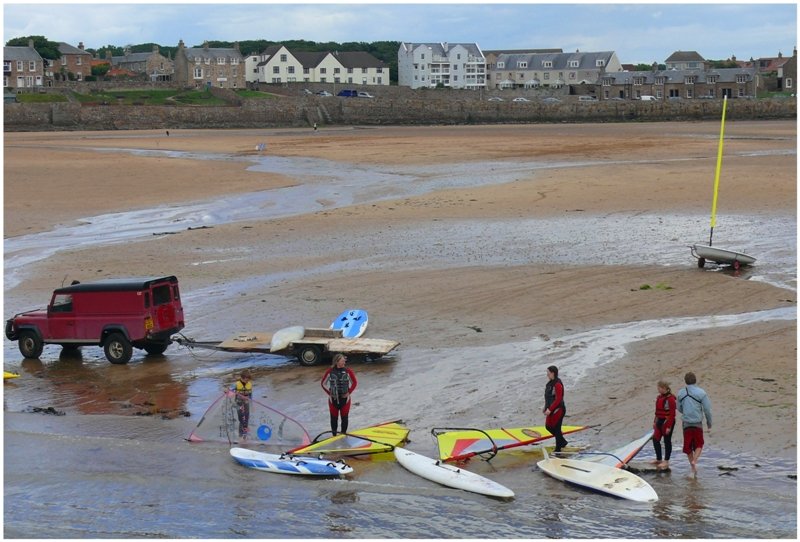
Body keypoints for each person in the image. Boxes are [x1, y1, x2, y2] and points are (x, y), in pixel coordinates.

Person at [677, 372, 713, 475]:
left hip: (686, 423)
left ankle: (692, 466)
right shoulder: (701, 393)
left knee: (688, 446)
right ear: (695, 380)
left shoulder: (681, 393)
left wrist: (686, 411)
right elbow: (707, 409)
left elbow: (679, 407)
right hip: (697, 423)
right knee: (699, 444)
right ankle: (695, 460)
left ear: (685, 381)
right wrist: (709, 423)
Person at [321, 353, 358, 436]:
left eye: (344, 360)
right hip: (333, 400)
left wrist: (349, 392)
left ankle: (343, 435)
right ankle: (334, 436)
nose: (344, 362)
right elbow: (323, 384)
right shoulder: (330, 371)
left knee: (344, 418)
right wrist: (330, 393)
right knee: (333, 419)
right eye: (342, 360)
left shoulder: (348, 371)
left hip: (345, 400)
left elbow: (354, 383)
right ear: (337, 361)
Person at [651, 380, 676, 470]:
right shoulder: (659, 397)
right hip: (659, 420)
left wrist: (669, 427)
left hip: (667, 421)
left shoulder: (671, 399)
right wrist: (655, 422)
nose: (658, 389)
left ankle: (666, 461)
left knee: (667, 441)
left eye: (659, 388)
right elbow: (657, 412)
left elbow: (672, 414)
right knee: (655, 439)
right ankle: (659, 459)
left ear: (664, 388)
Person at [543, 365, 568, 453]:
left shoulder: (557, 384)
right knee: (548, 426)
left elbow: (558, 399)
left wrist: (550, 409)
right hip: (551, 410)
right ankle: (562, 441)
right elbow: (548, 397)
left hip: (558, 410)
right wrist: (545, 408)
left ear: (553, 373)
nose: (547, 375)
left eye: (548, 373)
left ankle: (558, 449)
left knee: (557, 429)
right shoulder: (550, 384)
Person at [232, 369, 253, 440]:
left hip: (246, 402)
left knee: (246, 417)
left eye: (248, 380)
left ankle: (245, 434)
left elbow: (250, 394)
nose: (247, 381)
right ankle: (240, 434)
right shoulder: (237, 384)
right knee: (241, 418)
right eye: (246, 380)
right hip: (239, 402)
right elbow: (231, 390)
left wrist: (251, 400)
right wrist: (226, 391)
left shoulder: (249, 384)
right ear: (242, 378)